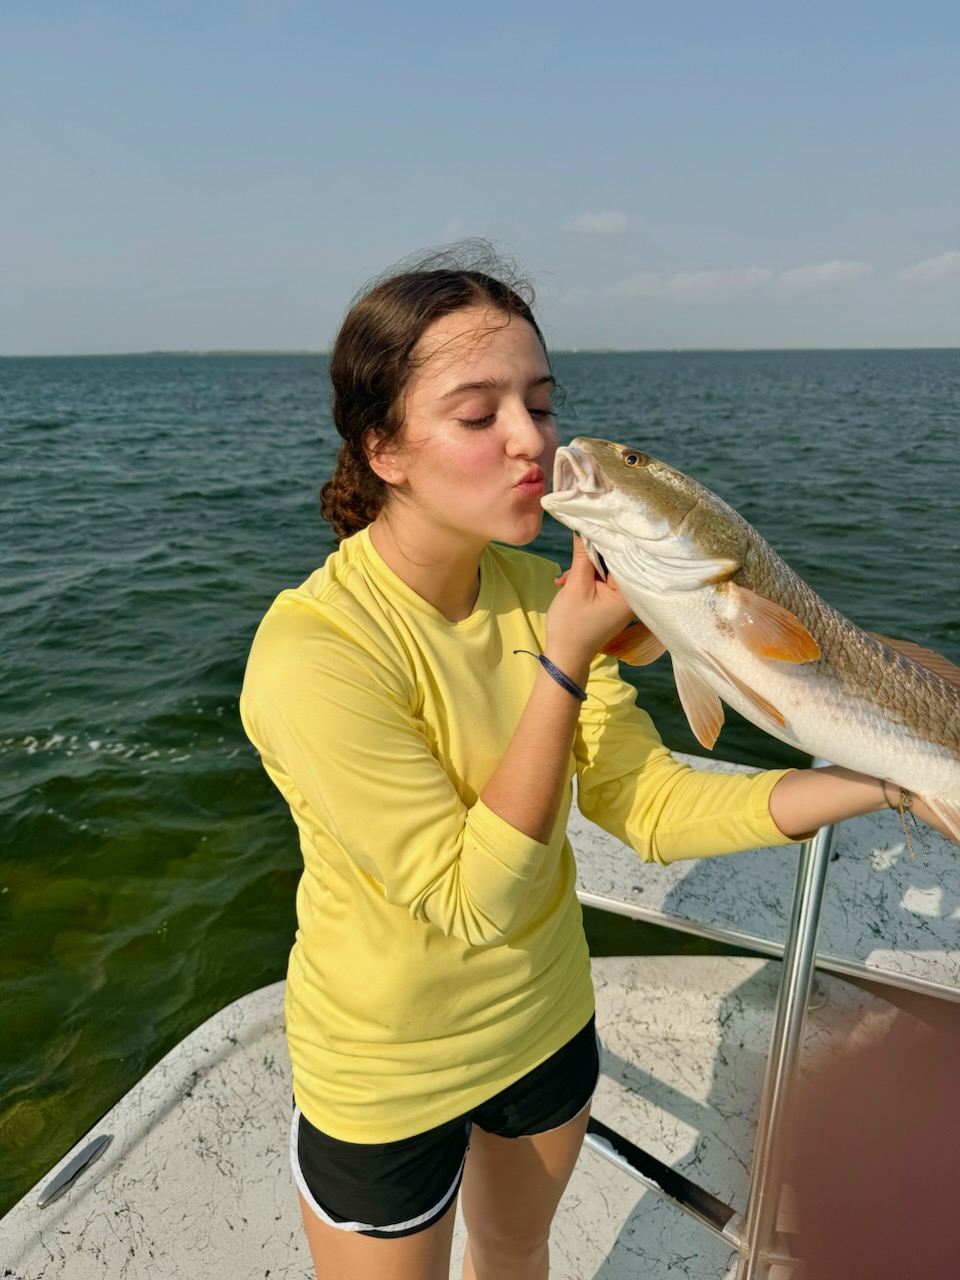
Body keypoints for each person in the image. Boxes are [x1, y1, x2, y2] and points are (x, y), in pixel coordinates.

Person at [239, 244, 952, 1280]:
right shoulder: (313, 651)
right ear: (384, 447)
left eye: (540, 400)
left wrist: (889, 779)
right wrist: (565, 660)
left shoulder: (538, 592)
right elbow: (471, 896)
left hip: (544, 1026)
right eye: (479, 415)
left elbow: (649, 803)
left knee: (519, 1256)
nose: (531, 439)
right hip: (383, 1067)